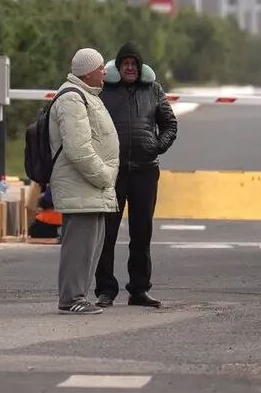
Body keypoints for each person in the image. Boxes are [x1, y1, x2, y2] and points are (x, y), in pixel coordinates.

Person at [95, 43, 176, 308]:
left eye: (134, 63)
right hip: (112, 172)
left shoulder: (154, 90)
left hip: (145, 171)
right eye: (125, 63)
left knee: (141, 234)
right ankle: (105, 290)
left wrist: (157, 146)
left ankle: (139, 290)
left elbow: (169, 124)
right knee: (106, 233)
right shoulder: (104, 91)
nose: (129, 67)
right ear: (118, 67)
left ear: (140, 68)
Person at [49, 47, 120, 315]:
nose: (104, 72)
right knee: (79, 247)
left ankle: (78, 296)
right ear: (89, 71)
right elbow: (78, 148)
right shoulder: (72, 99)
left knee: (91, 246)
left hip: (91, 187)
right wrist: (103, 174)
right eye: (101, 67)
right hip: (85, 184)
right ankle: (71, 298)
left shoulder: (87, 95)